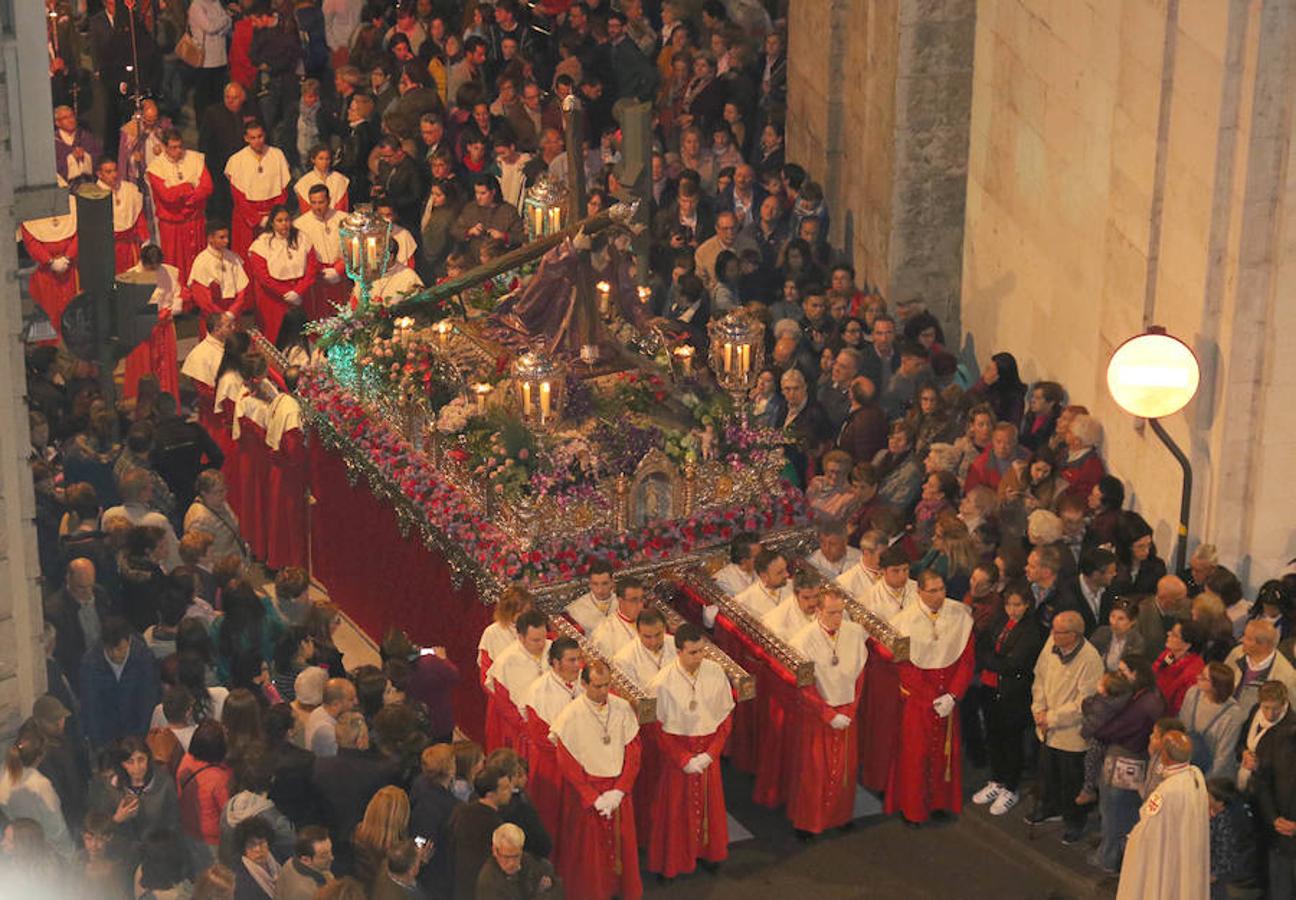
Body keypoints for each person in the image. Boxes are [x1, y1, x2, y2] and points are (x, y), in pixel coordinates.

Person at [886, 571, 976, 825]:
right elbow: (904, 666)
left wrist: (953, 695)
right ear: (920, 593)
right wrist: (929, 698)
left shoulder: (960, 615)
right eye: (933, 591)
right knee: (916, 756)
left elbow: (967, 660)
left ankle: (939, 803)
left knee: (944, 755)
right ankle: (913, 809)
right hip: (919, 702)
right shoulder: (902, 622)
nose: (939, 595)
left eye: (942, 589)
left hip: (948, 701)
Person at [644, 623, 734, 876]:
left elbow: (725, 718)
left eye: (702, 651)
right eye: (693, 653)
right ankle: (672, 863)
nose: (699, 657)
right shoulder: (661, 682)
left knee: (709, 807)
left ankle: (708, 853)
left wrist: (710, 754)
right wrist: (683, 758)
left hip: (708, 752)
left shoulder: (715, 672)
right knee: (674, 812)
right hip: (678, 756)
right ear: (679, 652)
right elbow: (657, 728)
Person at [550, 661, 642, 900]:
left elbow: (633, 752)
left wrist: (620, 790)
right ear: (584, 684)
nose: (604, 692)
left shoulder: (621, 708)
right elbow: (567, 761)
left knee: (622, 847)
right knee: (591, 852)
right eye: (598, 686)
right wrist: (593, 797)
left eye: (606, 685)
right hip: (589, 794)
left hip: (618, 791)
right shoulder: (571, 715)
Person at [779, 589, 867, 838]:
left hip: (847, 712)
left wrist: (851, 708)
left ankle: (841, 816)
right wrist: (828, 714)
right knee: (814, 771)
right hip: (816, 716)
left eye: (841, 611)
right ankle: (807, 823)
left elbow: (860, 674)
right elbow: (804, 687)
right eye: (832, 612)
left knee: (845, 770)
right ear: (818, 611)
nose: (838, 617)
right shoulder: (802, 641)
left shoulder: (853, 633)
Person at [1024, 610, 1103, 842]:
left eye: (1058, 632)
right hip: (1045, 725)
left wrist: (1053, 717)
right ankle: (1049, 807)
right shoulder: (1051, 644)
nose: (1053, 635)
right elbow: (1039, 676)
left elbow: (1084, 703)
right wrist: (1038, 708)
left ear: (1075, 635)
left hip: (1071, 733)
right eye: (1053, 630)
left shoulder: (1090, 659)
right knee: (1048, 774)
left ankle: (1074, 820)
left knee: (1072, 781)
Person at [973, 582, 1045, 816]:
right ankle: (996, 780)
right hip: (990, 688)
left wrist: (990, 659)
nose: (1012, 610)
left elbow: (1014, 663)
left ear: (1027, 605)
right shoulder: (999, 620)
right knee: (993, 736)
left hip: (1013, 694)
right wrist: (992, 659)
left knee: (1011, 741)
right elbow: (982, 644)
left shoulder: (1031, 631)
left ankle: (1011, 787)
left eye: (1017, 605)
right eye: (1009, 604)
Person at [1116, 731, 1209, 900]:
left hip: (1167, 857)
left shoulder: (1166, 791)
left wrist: (1131, 839)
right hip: (1184, 853)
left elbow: (1147, 831)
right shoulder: (1196, 777)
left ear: (1165, 756)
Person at [80, 617, 161, 750]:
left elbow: (148, 701)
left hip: (137, 735)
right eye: (110, 649)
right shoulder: (90, 664)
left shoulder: (143, 659)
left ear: (128, 641)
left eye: (120, 648)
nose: (115, 654)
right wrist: (99, 745)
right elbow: (91, 707)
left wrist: (141, 739)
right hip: (106, 739)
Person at [247, 205, 321, 344]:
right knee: (276, 338)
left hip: (302, 295)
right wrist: (286, 293)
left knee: (306, 335)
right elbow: (264, 278)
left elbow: (312, 268)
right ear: (272, 223)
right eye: (279, 220)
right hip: (274, 299)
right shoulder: (262, 244)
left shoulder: (302, 238)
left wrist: (298, 292)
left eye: (287, 220)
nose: (284, 224)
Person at [147, 129, 214, 282]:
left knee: (198, 262)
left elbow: (207, 187)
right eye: (173, 147)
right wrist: (188, 186)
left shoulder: (195, 158)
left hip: (195, 220)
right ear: (164, 147)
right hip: (172, 225)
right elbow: (167, 196)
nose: (178, 151)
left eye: (180, 146)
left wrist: (187, 199)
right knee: (175, 265)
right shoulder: (156, 167)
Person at [484, 610, 551, 755]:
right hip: (523, 729)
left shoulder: (553, 650)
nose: (541, 644)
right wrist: (527, 727)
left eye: (543, 638)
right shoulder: (505, 662)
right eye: (535, 640)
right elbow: (504, 704)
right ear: (521, 637)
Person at [0, 727, 73, 857]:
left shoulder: (3, 772)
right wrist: (68, 851)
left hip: (20, 842)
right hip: (44, 845)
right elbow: (56, 826)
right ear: (40, 756)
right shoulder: (39, 784)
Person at [226, 122, 291, 259]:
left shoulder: (277, 155)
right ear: (246, 138)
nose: (257, 141)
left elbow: (283, 189)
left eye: (260, 136)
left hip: (273, 215)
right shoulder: (237, 160)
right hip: (247, 218)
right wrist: (257, 219)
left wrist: (273, 216)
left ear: (265, 135)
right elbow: (238, 196)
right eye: (253, 138)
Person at [19, 194, 78, 341]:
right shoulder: (30, 207)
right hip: (45, 272)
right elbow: (30, 241)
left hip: (69, 268)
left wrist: (68, 256)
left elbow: (79, 232)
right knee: (48, 310)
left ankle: (72, 346)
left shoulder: (71, 203)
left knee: (72, 308)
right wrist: (50, 261)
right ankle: (50, 350)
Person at [449, 766, 512, 900]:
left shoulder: (461, 812)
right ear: (491, 794)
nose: (511, 790)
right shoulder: (496, 826)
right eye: (505, 788)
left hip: (459, 888)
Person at [178, 720, 234, 868]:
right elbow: (227, 812)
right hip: (211, 840)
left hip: (188, 830)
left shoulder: (186, 760)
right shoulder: (218, 778)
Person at [293, 186, 350, 321]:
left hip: (341, 276)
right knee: (318, 319)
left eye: (321, 202)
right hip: (316, 278)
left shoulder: (344, 219)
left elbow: (352, 249)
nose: (317, 207)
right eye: (313, 202)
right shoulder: (300, 224)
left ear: (329, 200)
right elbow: (300, 256)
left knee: (343, 318)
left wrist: (339, 269)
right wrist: (319, 271)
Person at [1178, 663, 1244, 779]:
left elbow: (1224, 755)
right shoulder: (1193, 693)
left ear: (1216, 686)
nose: (1198, 677)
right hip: (1186, 764)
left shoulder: (1233, 715)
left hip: (1211, 773)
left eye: (1204, 677)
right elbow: (1181, 726)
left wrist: (1203, 780)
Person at [475, 822, 561, 900]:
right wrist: (540, 893)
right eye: (506, 857)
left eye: (516, 856)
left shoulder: (527, 860)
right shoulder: (489, 880)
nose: (512, 863)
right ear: (495, 851)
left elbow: (556, 887)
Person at [1226, 619, 1296, 712]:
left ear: (1263, 645)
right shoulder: (1237, 653)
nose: (1242, 640)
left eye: (1248, 638)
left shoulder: (1286, 675)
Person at [96, 156, 149, 273]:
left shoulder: (129, 189)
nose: (114, 175)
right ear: (99, 174)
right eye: (108, 172)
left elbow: (138, 216)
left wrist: (145, 239)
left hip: (131, 247)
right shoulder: (95, 195)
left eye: (115, 170)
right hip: (109, 249)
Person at [1153, 621, 1207, 714]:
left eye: (1174, 635)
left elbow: (1177, 709)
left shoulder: (1192, 675)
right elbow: (1153, 674)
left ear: (1187, 645)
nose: (1168, 634)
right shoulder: (1169, 653)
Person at [589, 579, 648, 659]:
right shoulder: (604, 633)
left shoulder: (650, 620)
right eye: (634, 600)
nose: (640, 605)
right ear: (620, 601)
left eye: (641, 599)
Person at [272, 826, 334, 899]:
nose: (332, 858)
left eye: (330, 851)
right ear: (306, 860)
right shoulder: (306, 893)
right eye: (323, 856)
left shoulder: (292, 862)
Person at [306, 677, 357, 758]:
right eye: (351, 699)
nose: (356, 702)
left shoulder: (319, 710)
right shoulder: (327, 732)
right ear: (335, 704)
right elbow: (340, 761)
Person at [231, 817, 281, 898]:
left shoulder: (278, 857)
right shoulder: (241, 882)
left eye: (262, 842)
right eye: (251, 844)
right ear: (243, 848)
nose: (258, 849)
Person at [564, 561, 617, 634]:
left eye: (604, 584)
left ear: (612, 582)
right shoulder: (576, 609)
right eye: (595, 584)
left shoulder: (623, 602)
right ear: (589, 584)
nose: (600, 590)